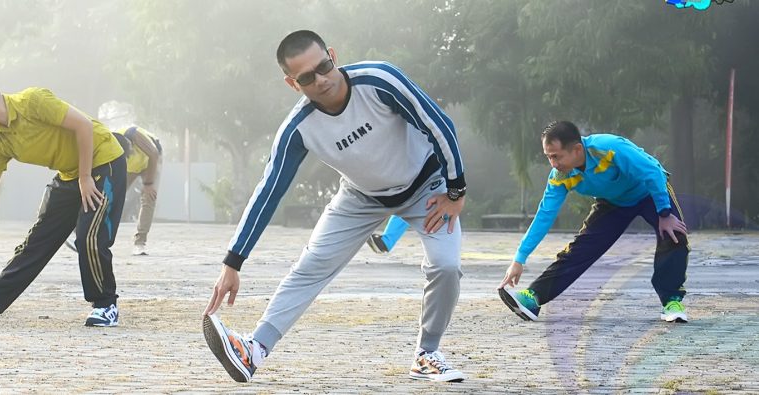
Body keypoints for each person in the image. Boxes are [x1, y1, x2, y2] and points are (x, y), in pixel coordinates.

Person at [202, 30, 468, 383]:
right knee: (310, 267)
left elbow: (438, 124)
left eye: (324, 66)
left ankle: (427, 353)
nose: (321, 80)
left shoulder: (380, 80)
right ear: (292, 83)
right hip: (361, 198)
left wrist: (455, 191)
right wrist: (232, 262)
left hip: (427, 187)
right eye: (307, 77)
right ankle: (253, 350)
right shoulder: (298, 129)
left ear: (332, 55)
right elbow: (269, 191)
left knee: (446, 266)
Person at [0, 71, 127, 327]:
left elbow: (83, 126)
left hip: (103, 160)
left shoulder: (32, 101)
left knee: (89, 236)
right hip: (71, 174)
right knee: (38, 240)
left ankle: (105, 305)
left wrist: (85, 177)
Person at [498, 121, 690, 323]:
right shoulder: (560, 176)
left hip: (649, 192)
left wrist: (665, 214)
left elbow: (652, 172)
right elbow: (544, 215)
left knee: (674, 235)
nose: (553, 164)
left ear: (577, 149)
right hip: (613, 203)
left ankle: (672, 302)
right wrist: (519, 259)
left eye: (557, 156)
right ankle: (532, 297)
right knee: (580, 249)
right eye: (548, 157)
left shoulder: (609, 147)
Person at [65, 126, 162, 256]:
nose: (130, 152)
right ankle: (81, 230)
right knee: (111, 195)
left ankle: (140, 242)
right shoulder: (110, 150)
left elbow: (154, 154)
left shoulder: (133, 134)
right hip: (131, 167)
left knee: (149, 197)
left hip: (152, 163)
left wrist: (148, 184)